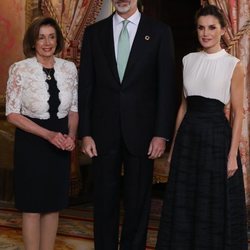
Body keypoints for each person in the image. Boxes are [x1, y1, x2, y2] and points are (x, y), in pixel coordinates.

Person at [78, 0, 176, 249]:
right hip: (102, 134)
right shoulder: (93, 33)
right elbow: (86, 87)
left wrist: (161, 134)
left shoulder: (160, 32)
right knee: (104, 202)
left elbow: (166, 88)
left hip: (143, 135)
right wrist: (86, 133)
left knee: (138, 203)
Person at [156, 4, 248, 250]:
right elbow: (183, 107)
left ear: (222, 30)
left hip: (216, 137)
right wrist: (174, 148)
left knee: (213, 201)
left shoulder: (233, 64)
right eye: (200, 28)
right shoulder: (188, 60)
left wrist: (231, 157)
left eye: (211, 28)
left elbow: (238, 113)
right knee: (186, 199)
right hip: (188, 138)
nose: (205, 33)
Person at [5, 16, 78, 250]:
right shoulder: (20, 69)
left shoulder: (69, 68)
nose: (47, 42)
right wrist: (48, 135)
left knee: (53, 204)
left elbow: (74, 109)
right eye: (41, 37)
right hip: (32, 143)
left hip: (61, 143)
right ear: (33, 42)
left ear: (57, 40)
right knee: (33, 206)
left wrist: (71, 137)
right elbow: (12, 114)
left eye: (51, 36)